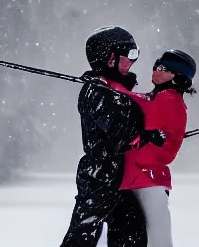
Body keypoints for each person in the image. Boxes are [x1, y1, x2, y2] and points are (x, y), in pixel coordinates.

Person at [60, 26, 165, 247]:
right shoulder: (97, 91)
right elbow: (119, 132)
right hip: (99, 176)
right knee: (83, 235)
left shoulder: (116, 90)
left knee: (130, 234)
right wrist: (144, 135)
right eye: (129, 54)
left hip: (117, 177)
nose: (133, 61)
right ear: (109, 59)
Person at [111, 49, 196, 247]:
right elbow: (139, 100)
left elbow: (163, 147)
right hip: (140, 179)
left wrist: (109, 85)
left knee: (157, 240)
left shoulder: (168, 98)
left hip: (147, 179)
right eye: (156, 65)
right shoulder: (158, 97)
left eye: (164, 68)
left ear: (178, 77)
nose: (156, 70)